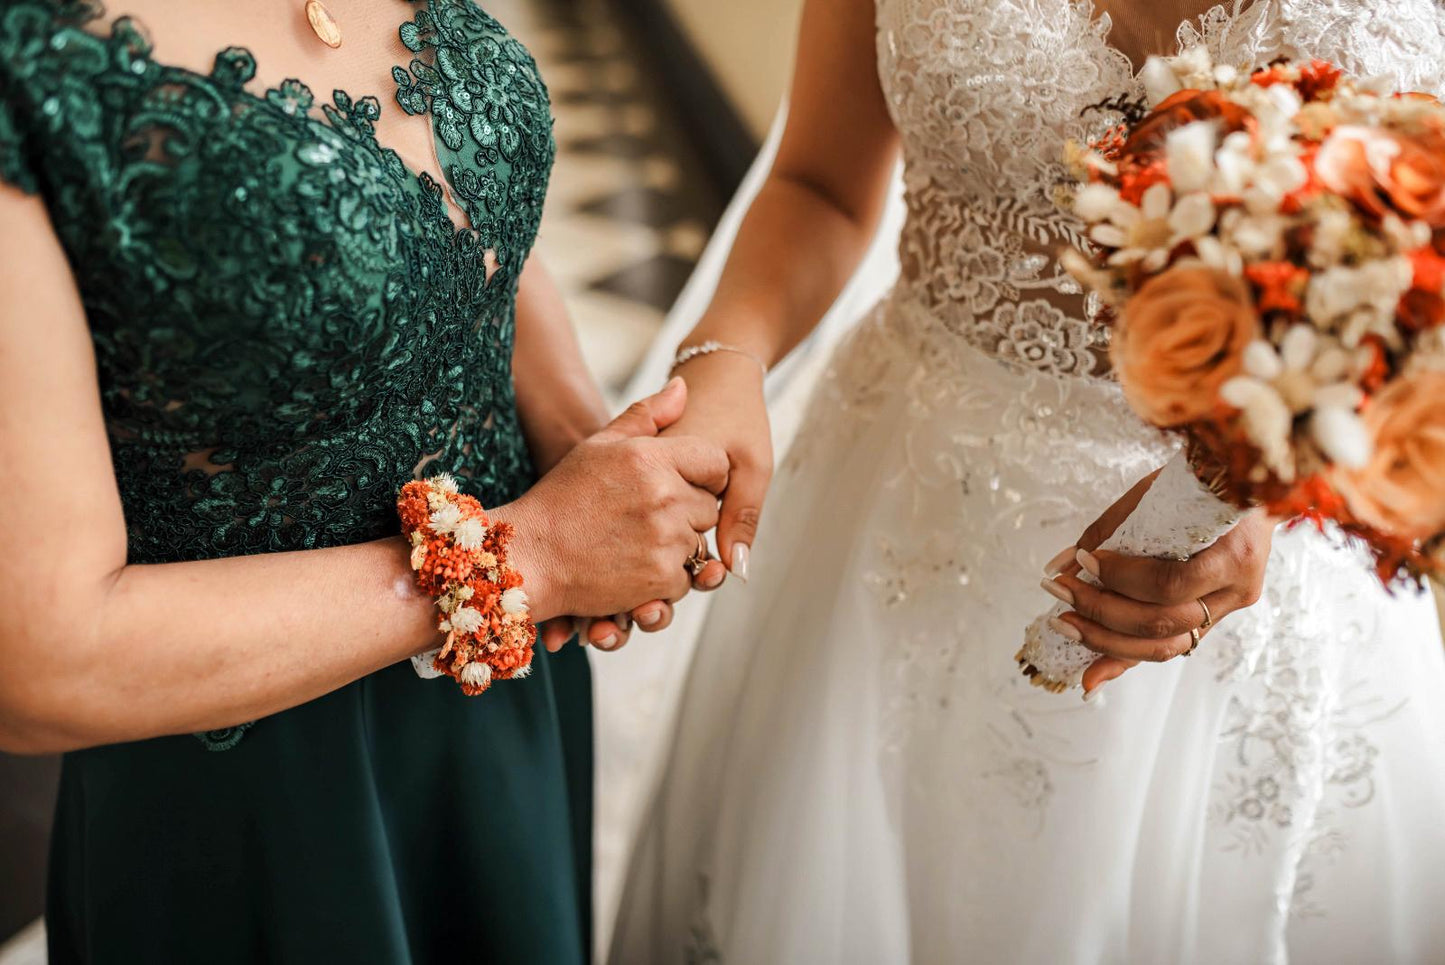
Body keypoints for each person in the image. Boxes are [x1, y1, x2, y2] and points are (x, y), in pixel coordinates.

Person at [611, 0, 1445, 962]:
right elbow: (819, 182)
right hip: (899, 519)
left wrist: (1278, 483)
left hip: (1281, 593)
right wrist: (724, 357)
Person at [0, 0, 719, 960]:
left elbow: (450, 202)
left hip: (503, 691)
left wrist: (581, 437)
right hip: (251, 777)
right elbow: (43, 659)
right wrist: (528, 556)